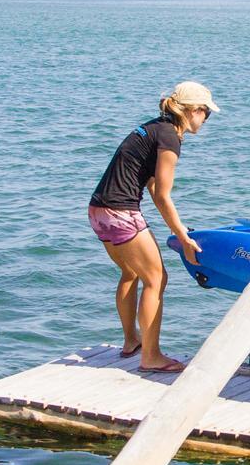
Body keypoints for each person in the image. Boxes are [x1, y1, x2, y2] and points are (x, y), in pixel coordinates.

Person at [87, 81, 220, 373]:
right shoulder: (171, 136)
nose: (205, 120)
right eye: (206, 114)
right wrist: (183, 237)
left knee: (131, 272)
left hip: (98, 209)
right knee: (157, 279)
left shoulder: (152, 128)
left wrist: (176, 227)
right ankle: (151, 356)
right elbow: (161, 195)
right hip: (120, 211)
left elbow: (148, 183)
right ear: (194, 111)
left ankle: (131, 341)